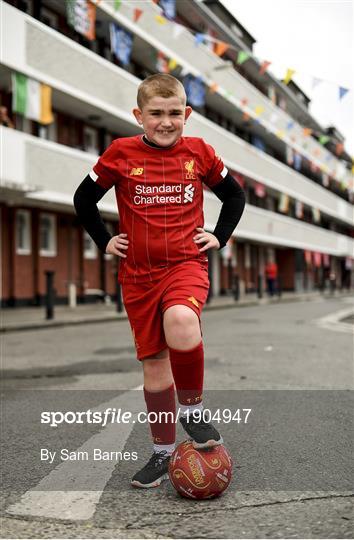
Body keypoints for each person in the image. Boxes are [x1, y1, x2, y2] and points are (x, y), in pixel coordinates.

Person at [74, 74, 245, 488]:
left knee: (182, 322)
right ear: (139, 115)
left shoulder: (200, 152)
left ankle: (193, 410)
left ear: (186, 115)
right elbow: (84, 199)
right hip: (138, 276)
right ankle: (162, 453)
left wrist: (218, 236)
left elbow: (235, 196)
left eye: (174, 114)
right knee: (154, 368)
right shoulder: (120, 153)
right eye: (156, 114)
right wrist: (104, 239)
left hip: (186, 264)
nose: (165, 122)